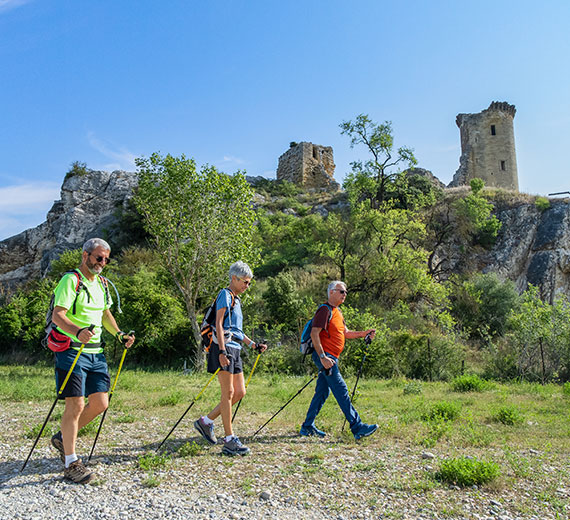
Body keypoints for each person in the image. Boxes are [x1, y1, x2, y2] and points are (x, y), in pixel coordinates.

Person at [49, 238, 135, 484]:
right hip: (72, 350)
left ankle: (63, 439)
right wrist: (77, 331)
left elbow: (105, 314)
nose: (103, 263)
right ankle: (71, 463)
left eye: (106, 259)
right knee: (75, 405)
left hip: (96, 353)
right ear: (85, 255)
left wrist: (119, 334)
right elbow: (58, 315)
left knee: (100, 403)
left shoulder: (103, 284)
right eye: (99, 258)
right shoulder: (70, 281)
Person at [194, 261, 266, 456]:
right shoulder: (224, 295)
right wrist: (222, 352)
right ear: (234, 278)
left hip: (234, 347)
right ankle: (229, 439)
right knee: (228, 392)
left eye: (249, 283)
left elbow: (237, 331)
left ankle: (206, 422)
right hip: (223, 347)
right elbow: (219, 323)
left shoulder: (237, 300)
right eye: (245, 282)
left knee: (239, 392)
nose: (247, 286)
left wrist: (253, 345)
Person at [300, 280, 377, 440]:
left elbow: (345, 333)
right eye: (341, 291)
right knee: (341, 390)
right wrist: (322, 357)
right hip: (325, 356)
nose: (345, 294)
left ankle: (307, 427)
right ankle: (357, 427)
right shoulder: (324, 310)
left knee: (322, 392)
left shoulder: (338, 312)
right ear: (331, 292)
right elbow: (315, 333)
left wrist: (364, 333)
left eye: (346, 292)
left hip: (331, 357)